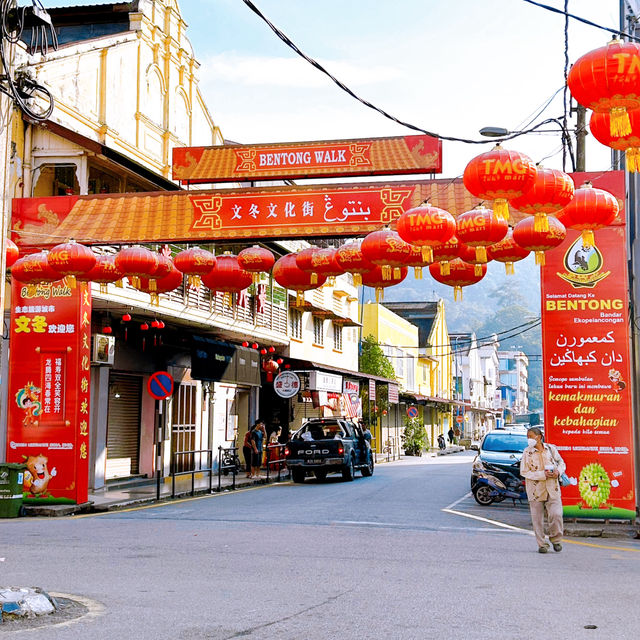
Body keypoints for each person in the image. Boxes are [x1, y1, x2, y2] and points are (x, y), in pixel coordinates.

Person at [520, 426, 566, 554]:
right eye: (527, 437)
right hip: (535, 490)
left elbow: (561, 462)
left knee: (556, 514)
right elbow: (524, 471)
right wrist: (542, 474)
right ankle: (542, 544)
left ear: (538, 437)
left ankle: (556, 539)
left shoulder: (551, 449)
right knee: (537, 519)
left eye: (530, 436)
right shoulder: (527, 452)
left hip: (552, 487)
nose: (528, 439)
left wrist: (558, 472)